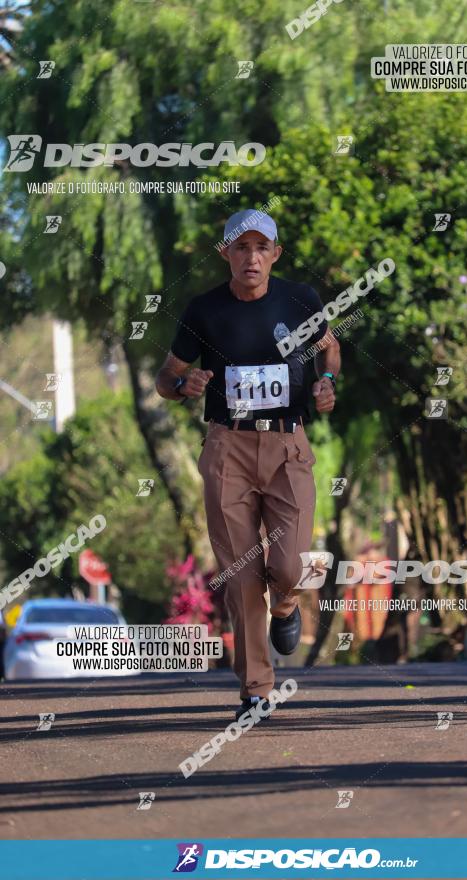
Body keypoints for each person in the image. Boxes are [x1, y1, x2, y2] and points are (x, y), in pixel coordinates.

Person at [156, 209, 340, 720]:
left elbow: (331, 349)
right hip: (227, 450)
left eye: (262, 247)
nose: (251, 257)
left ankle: (286, 605)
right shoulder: (203, 310)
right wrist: (183, 386)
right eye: (241, 247)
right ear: (226, 254)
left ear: (275, 254)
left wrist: (327, 384)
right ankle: (256, 690)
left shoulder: (301, 299)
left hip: (287, 446)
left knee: (287, 567)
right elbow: (165, 378)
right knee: (240, 576)